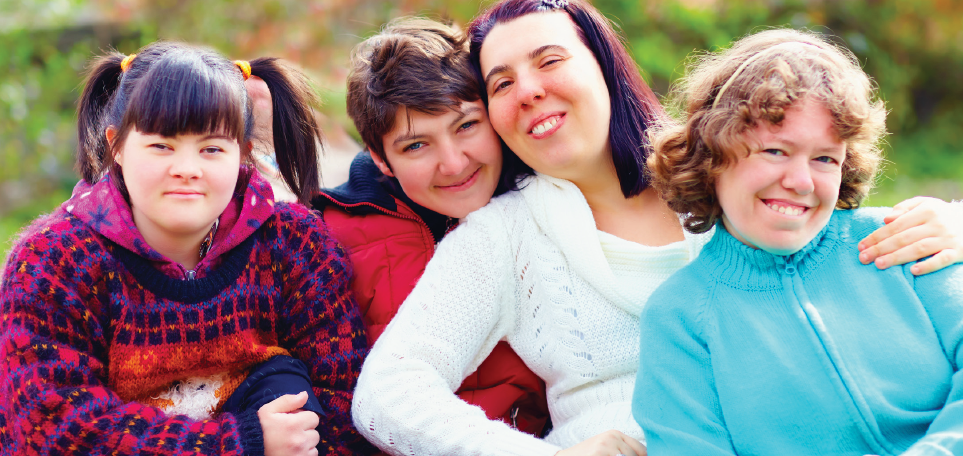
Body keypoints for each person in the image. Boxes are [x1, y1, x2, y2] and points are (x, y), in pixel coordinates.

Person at [350, 1, 963, 456]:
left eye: (550, 60)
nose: (530, 91)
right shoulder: (502, 237)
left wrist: (949, 222)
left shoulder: (723, 163)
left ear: (605, 67)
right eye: (502, 83)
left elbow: (826, 203)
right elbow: (387, 395)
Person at [0, 42, 370, 456]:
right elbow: (52, 427)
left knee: (285, 385)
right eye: (162, 146)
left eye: (212, 148)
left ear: (243, 154)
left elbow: (344, 398)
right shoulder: (54, 263)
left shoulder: (294, 244)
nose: (187, 169)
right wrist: (240, 442)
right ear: (117, 146)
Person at [635, 28, 963, 455]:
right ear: (712, 154)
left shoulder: (900, 238)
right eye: (775, 151)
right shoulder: (680, 316)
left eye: (825, 158)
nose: (801, 181)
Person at [312, 17, 550, 436]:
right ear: (381, 158)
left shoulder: (548, 205)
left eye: (467, 125)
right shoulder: (327, 242)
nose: (455, 163)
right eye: (416, 145)